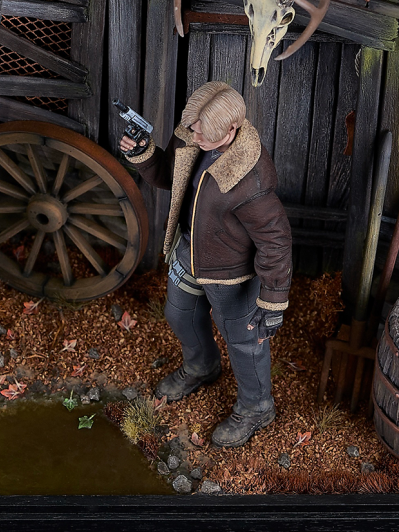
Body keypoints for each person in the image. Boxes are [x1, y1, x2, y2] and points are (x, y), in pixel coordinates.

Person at [119, 81, 292, 447]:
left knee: (244, 341)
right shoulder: (193, 135)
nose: (194, 137)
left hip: (231, 273)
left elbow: (275, 241)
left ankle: (257, 406)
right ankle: (201, 366)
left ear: (231, 130)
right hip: (189, 252)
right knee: (179, 315)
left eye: (203, 134)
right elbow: (170, 176)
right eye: (193, 129)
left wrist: (273, 300)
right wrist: (144, 153)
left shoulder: (250, 177)